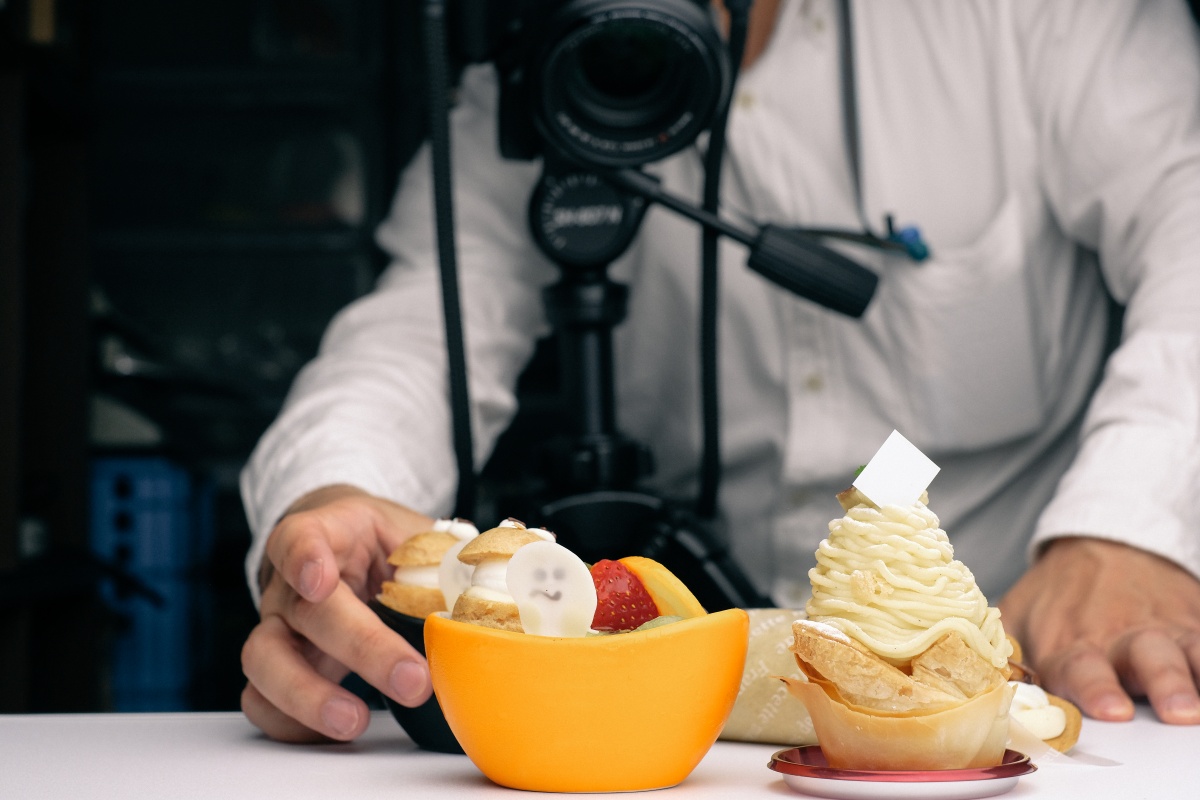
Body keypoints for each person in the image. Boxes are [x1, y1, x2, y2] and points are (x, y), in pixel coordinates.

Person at [238, 0, 1200, 743]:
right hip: (700, 728)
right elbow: (417, 330)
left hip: (1037, 687)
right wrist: (333, 499)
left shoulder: (1041, 21)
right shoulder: (535, 85)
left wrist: (1126, 529)